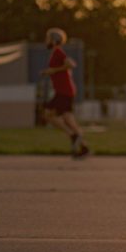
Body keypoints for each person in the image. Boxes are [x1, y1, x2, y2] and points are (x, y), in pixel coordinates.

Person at [40, 28, 90, 159]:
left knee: (48, 114)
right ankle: (83, 146)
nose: (47, 41)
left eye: (49, 38)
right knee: (68, 119)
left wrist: (53, 71)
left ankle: (73, 135)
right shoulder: (55, 53)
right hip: (64, 90)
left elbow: (71, 64)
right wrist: (50, 71)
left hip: (64, 91)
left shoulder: (58, 51)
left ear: (54, 40)